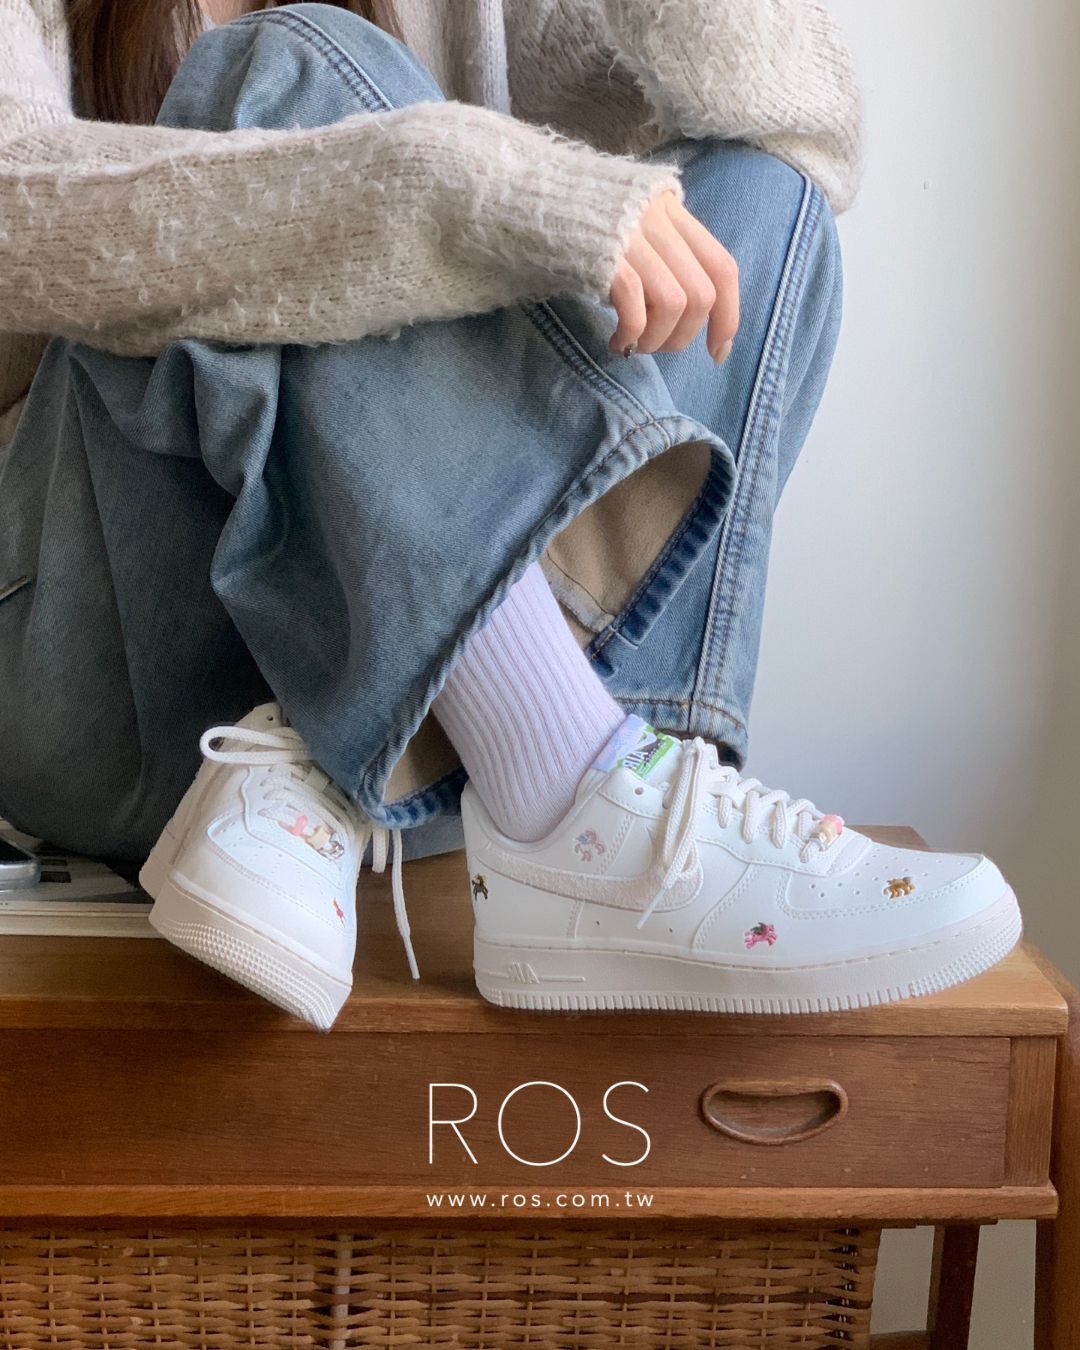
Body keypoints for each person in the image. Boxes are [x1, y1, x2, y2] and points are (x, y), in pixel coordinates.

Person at [0, 0, 1021, 1029]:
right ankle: (572, 786)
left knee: (765, 192)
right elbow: (18, 215)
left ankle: (588, 808)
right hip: (110, 670)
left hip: (441, 762)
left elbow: (800, 123)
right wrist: (447, 184)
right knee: (289, 62)